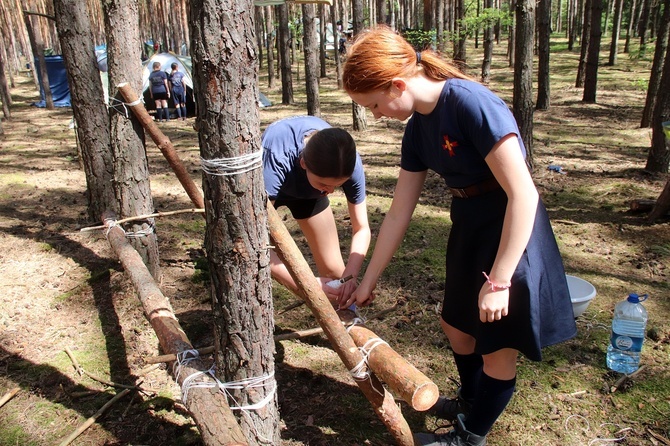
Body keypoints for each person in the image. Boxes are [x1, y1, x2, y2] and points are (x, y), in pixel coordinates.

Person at [341, 27, 577, 446]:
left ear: (397, 84)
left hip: (510, 229)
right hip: (469, 224)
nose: (376, 115)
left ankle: (469, 437)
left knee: (497, 347)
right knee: (456, 326)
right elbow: (398, 212)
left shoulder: (470, 104)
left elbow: (524, 193)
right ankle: (471, 402)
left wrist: (501, 280)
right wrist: (368, 280)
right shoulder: (417, 129)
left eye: (374, 104)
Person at [262, 116, 371, 305]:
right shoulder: (276, 157)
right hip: (272, 188)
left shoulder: (350, 164)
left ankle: (347, 324)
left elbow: (361, 228)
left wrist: (350, 276)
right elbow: (253, 240)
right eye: (325, 184)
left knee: (336, 274)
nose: (330, 192)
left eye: (339, 185)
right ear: (303, 163)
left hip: (308, 195)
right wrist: (307, 285)